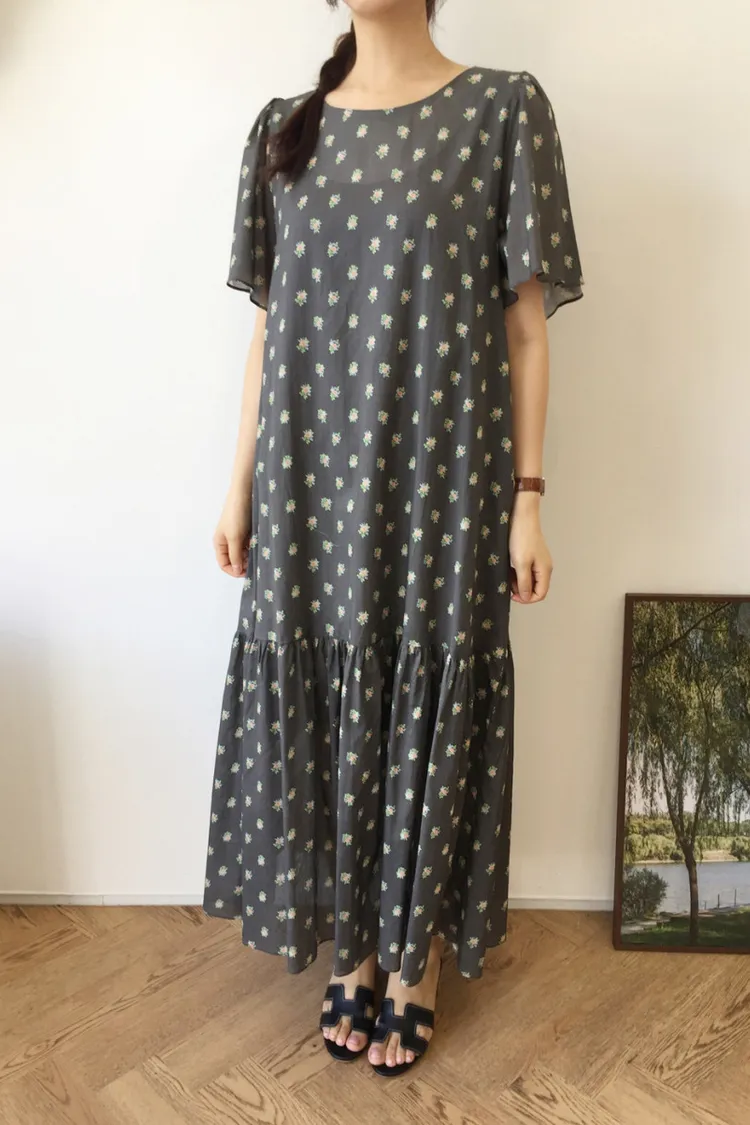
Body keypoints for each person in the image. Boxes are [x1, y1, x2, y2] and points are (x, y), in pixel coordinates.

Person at [203, 0, 583, 1077]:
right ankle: (356, 948)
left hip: (440, 481)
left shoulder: (502, 110)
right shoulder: (285, 129)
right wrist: (237, 486)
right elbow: (268, 333)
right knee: (327, 698)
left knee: (430, 685)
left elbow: (524, 328)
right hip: (308, 484)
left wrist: (528, 497)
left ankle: (415, 957)